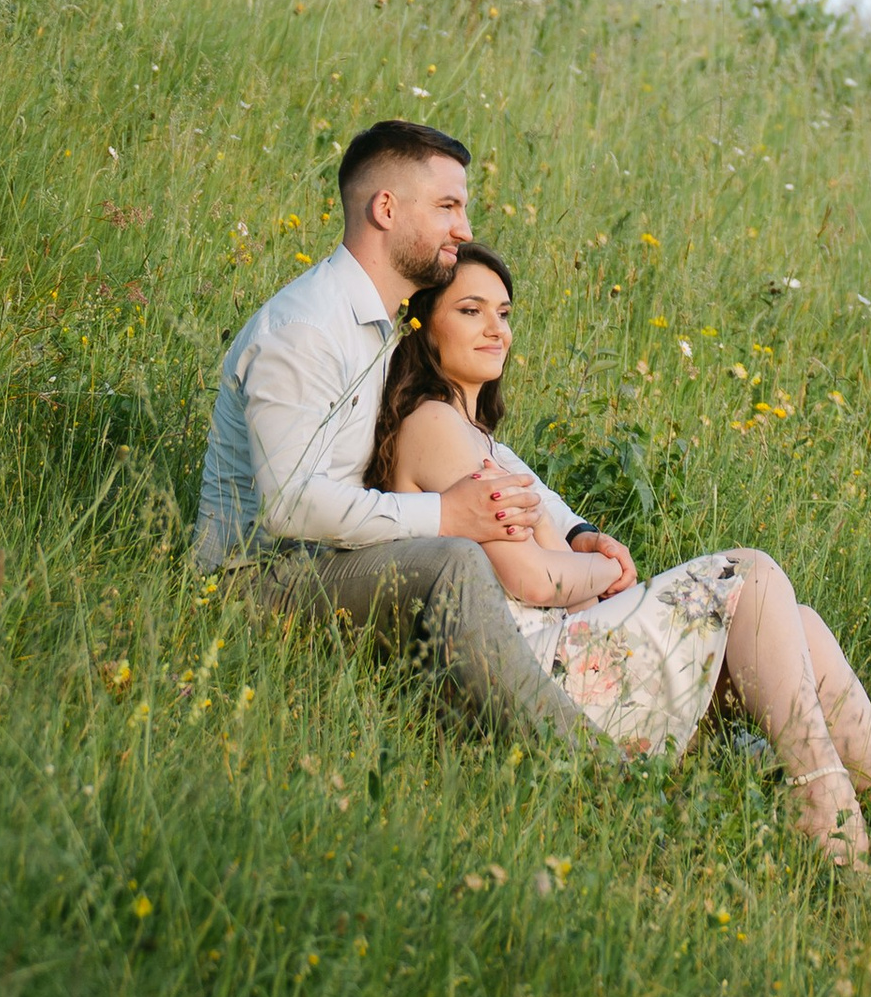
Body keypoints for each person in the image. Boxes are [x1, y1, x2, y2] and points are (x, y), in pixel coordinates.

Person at [365, 240, 871, 876]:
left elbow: (546, 562)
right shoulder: (433, 423)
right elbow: (533, 579)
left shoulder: (475, 436)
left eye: (503, 313)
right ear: (424, 327)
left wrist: (581, 553)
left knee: (799, 627)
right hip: (536, 678)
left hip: (568, 651)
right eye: (471, 311)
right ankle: (826, 801)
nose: (496, 330)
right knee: (749, 573)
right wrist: (605, 571)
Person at [191, 120, 639, 748]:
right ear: (386, 209)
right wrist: (445, 514)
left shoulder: (383, 329)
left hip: (338, 563)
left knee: (469, 554)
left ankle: (618, 711)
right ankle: (586, 760)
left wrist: (574, 532)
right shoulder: (305, 330)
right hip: (253, 584)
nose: (465, 228)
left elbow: (478, 449)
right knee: (453, 558)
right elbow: (289, 504)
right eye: (448, 206)